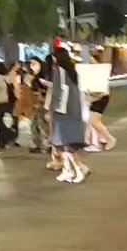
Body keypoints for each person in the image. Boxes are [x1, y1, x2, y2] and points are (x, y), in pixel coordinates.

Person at [49, 47, 90, 183]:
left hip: (63, 113)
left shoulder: (59, 72)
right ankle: (68, 170)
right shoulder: (72, 72)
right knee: (65, 145)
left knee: (65, 146)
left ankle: (78, 169)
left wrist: (52, 109)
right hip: (73, 111)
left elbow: (58, 93)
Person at [85, 51, 116, 152]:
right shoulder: (93, 73)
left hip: (100, 99)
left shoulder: (99, 73)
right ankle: (98, 141)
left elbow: (101, 92)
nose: (90, 63)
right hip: (96, 98)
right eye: (89, 62)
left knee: (93, 121)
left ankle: (109, 138)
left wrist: (91, 98)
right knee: (93, 121)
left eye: (92, 62)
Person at [25, 57, 50, 154]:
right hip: (35, 103)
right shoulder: (32, 77)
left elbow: (46, 90)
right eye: (31, 64)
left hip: (43, 103)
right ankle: (37, 144)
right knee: (34, 124)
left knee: (42, 124)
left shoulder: (44, 77)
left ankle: (47, 144)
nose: (32, 66)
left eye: (34, 63)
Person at [0, 64, 18, 149]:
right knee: (10, 121)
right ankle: (5, 140)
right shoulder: (7, 78)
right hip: (10, 102)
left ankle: (7, 138)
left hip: (0, 102)